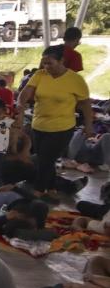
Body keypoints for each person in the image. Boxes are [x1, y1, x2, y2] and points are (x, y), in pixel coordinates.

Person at [17, 45, 94, 197]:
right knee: (46, 159)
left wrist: (88, 125)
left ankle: (38, 191)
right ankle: (52, 188)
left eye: (49, 63)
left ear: (61, 61)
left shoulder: (75, 80)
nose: (46, 67)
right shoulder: (40, 75)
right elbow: (25, 92)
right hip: (39, 126)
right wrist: (20, 104)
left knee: (44, 160)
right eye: (44, 63)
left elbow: (86, 105)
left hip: (62, 128)